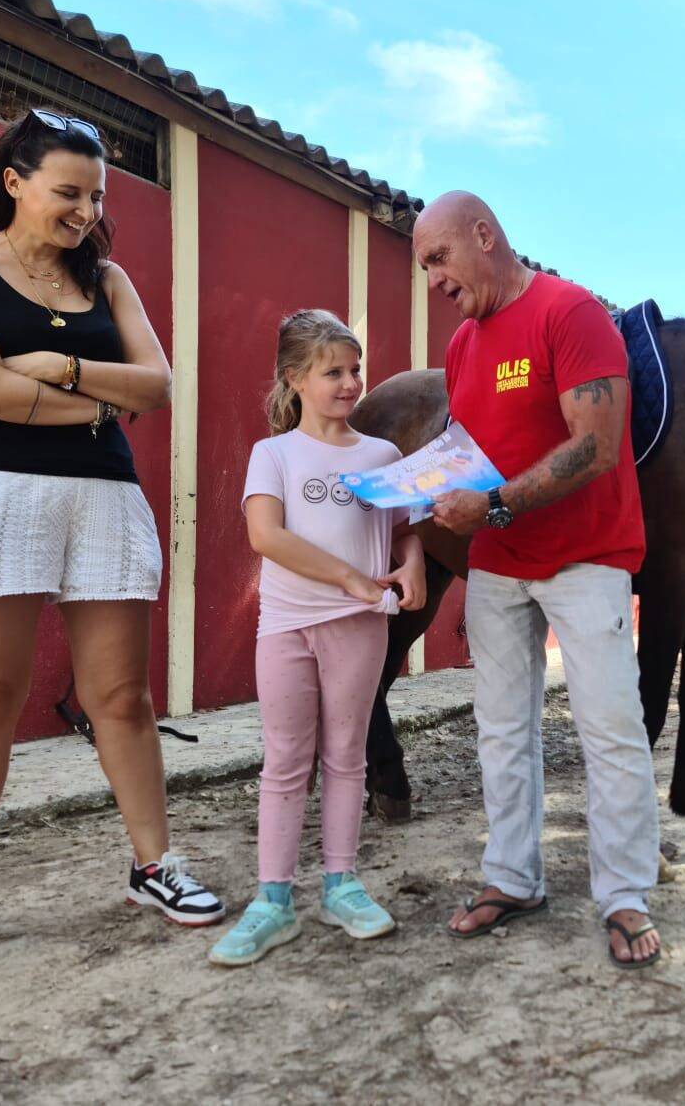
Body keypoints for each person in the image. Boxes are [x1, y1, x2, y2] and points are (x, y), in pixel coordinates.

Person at [0, 109, 224, 976]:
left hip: (104, 495)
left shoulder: (108, 278)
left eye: (96, 194)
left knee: (122, 694)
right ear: (15, 181)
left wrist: (59, 368)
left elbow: (156, 383)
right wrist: (94, 405)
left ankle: (154, 864)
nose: (84, 210)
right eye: (67, 191)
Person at [413, 191, 663, 969]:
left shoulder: (571, 312)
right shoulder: (461, 346)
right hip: (497, 563)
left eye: (438, 259)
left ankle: (624, 894)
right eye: (424, 267)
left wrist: (491, 502)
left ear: (483, 235)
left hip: (585, 556)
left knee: (609, 725)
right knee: (500, 727)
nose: (432, 281)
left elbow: (595, 445)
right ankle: (512, 877)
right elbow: (468, 444)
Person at [209, 310, 426, 966]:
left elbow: (407, 526)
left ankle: (341, 883)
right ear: (295, 377)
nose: (350, 382)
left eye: (355, 369)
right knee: (284, 761)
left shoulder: (381, 455)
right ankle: (273, 901)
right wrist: (351, 579)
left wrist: (410, 563)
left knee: (346, 755)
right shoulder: (272, 454)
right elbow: (266, 536)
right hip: (286, 625)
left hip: (358, 631)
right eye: (333, 371)